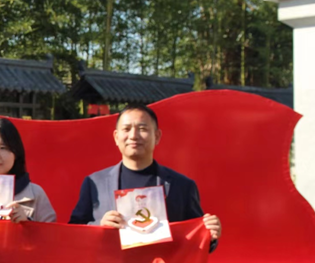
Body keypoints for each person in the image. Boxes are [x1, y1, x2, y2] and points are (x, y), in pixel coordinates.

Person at [68, 104, 221, 250]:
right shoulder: (95, 183)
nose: (133, 136)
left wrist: (210, 235)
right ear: (116, 137)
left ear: (157, 136)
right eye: (126, 129)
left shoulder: (182, 186)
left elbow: (197, 239)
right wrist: (99, 227)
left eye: (142, 129)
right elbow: (73, 233)